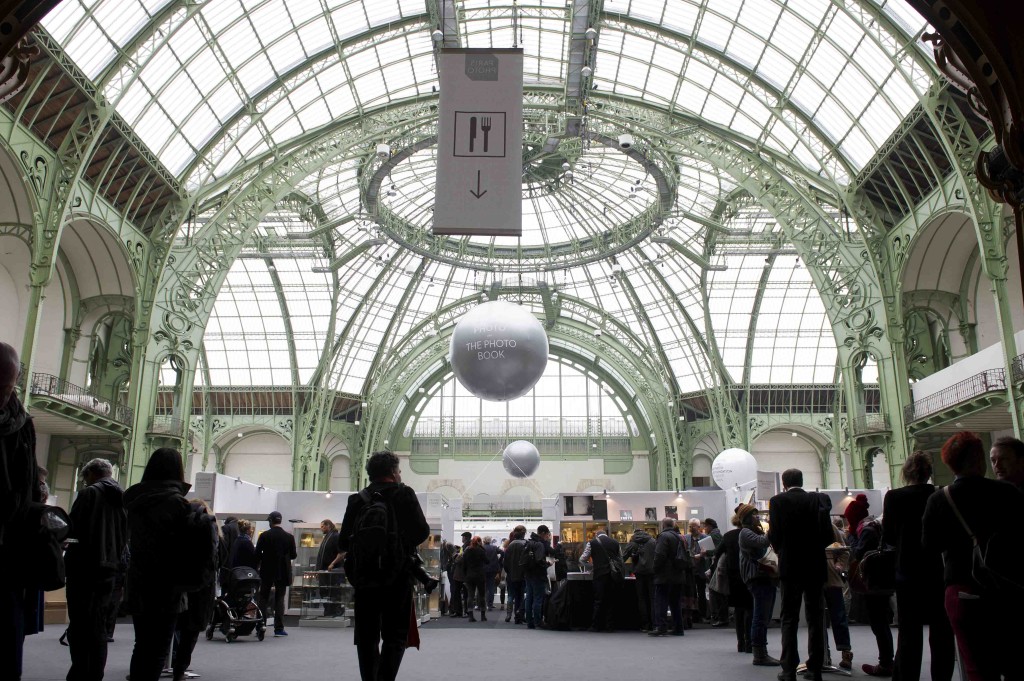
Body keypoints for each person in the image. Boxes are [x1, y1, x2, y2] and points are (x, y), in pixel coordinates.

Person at [922, 432, 1024, 681]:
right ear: (979, 459)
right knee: (1015, 661)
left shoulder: (939, 499)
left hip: (962, 589)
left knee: (977, 667)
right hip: (1007, 590)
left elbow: (930, 546)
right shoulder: (1008, 493)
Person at [339, 451, 429, 681]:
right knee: (395, 635)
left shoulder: (357, 499)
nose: (400, 474)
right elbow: (421, 531)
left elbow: (343, 541)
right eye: (398, 470)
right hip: (397, 576)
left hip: (364, 577)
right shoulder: (404, 494)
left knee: (366, 636)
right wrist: (400, 544)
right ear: (392, 472)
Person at [882, 452, 953, 681]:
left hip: (907, 569)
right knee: (941, 630)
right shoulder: (940, 494)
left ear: (906, 472)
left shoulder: (893, 497)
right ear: (928, 472)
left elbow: (890, 537)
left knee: (909, 631)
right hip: (937, 569)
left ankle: (907, 677)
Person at [123, 448, 192, 681]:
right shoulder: (178, 504)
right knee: (159, 649)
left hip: (139, 582)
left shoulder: (135, 502)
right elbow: (187, 550)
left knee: (141, 645)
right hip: (167, 586)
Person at [65, 457, 127, 681]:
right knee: (98, 625)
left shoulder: (88, 494)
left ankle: (80, 672)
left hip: (84, 567)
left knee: (80, 625)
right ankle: (94, 673)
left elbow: (73, 530)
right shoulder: (122, 496)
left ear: (90, 474)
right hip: (110, 568)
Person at [768, 468, 834, 681]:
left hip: (790, 566)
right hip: (815, 566)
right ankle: (815, 668)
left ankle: (789, 669)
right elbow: (827, 535)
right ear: (802, 481)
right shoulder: (817, 500)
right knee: (816, 616)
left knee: (789, 617)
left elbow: (774, 535)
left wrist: (782, 550)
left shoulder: (778, 501)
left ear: (784, 483)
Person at [0, 342, 41, 681]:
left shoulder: (22, 425)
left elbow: (27, 488)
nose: (3, 393)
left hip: (9, 551)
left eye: (8, 385)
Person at [171, 500, 218, 681]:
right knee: (190, 631)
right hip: (201, 586)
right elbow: (215, 558)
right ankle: (180, 668)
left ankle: (167, 663)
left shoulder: (179, 526)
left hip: (178, 583)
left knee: (172, 626)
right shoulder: (210, 527)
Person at [738, 504, 780, 666]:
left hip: (762, 577)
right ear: (747, 517)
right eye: (754, 515)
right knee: (760, 617)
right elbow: (763, 542)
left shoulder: (751, 531)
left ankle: (761, 652)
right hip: (757, 577)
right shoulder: (745, 532)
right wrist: (773, 526)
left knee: (764, 616)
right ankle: (760, 653)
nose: (757, 517)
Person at [852, 514, 893, 676]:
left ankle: (885, 663)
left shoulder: (867, 531)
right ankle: (888, 661)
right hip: (884, 581)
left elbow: (858, 553)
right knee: (882, 623)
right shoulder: (879, 528)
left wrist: (852, 540)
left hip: (873, 582)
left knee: (878, 624)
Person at [255, 511, 297, 637]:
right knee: (280, 599)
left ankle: (260, 625)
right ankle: (279, 628)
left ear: (270, 521)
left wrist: (265, 558)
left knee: (263, 597)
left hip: (267, 570)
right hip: (283, 571)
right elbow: (294, 555)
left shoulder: (265, 536)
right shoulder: (289, 537)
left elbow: (257, 554)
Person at [718, 509, 753, 653]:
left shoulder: (728, 536)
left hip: (734, 576)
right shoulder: (752, 535)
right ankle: (750, 642)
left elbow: (717, 553)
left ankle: (741, 642)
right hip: (749, 575)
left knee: (738, 610)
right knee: (751, 609)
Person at [578, 526, 623, 632]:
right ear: (606, 534)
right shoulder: (615, 543)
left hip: (599, 575)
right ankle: (610, 626)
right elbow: (621, 559)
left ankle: (596, 625)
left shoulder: (592, 543)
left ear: (596, 535)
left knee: (599, 600)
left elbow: (582, 559)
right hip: (613, 575)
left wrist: (591, 567)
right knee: (611, 600)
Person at [823, 515, 853, 671]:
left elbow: (844, 550)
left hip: (831, 578)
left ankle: (846, 652)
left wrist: (839, 566)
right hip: (813, 580)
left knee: (838, 616)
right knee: (817, 620)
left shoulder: (831, 528)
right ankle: (822, 654)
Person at [650, 517, 686, 637]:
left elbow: (660, 555)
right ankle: (678, 627)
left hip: (665, 575)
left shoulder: (663, 536)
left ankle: (661, 627)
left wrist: (654, 569)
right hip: (678, 574)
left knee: (660, 601)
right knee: (675, 602)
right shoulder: (679, 536)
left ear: (663, 525)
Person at [621, 527, 656, 632]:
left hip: (639, 573)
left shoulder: (633, 543)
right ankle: (655, 624)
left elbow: (623, 557)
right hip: (652, 572)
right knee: (653, 598)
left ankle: (645, 625)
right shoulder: (653, 541)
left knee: (642, 599)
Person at [523, 524, 553, 630]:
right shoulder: (539, 545)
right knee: (538, 599)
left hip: (528, 574)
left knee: (529, 598)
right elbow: (539, 560)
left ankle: (529, 622)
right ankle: (538, 621)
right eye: (547, 535)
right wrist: (548, 564)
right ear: (544, 533)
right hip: (538, 575)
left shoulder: (529, 542)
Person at [703, 517, 728, 626]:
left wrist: (706, 552)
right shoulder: (717, 534)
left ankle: (719, 616)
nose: (704, 529)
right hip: (718, 565)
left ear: (709, 526)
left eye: (705, 526)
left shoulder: (714, 535)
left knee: (716, 591)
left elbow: (717, 551)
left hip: (717, 566)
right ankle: (720, 616)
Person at [684, 518, 709, 624]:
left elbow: (711, 553)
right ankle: (692, 615)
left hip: (701, 570)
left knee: (702, 593)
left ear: (699, 527)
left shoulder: (706, 538)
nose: (691, 528)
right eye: (690, 526)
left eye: (693, 526)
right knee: (690, 594)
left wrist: (704, 555)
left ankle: (703, 615)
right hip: (689, 570)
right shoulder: (685, 538)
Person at [503, 525, 528, 623]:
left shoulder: (510, 545)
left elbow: (505, 563)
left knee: (511, 595)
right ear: (524, 533)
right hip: (523, 575)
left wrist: (509, 572)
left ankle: (509, 614)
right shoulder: (526, 544)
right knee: (521, 596)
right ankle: (519, 615)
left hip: (511, 575)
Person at [317, 519, 342, 617]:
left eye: (322, 526)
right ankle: (328, 611)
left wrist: (332, 563)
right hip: (324, 572)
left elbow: (342, 553)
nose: (321, 528)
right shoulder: (327, 537)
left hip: (332, 572)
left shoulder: (336, 536)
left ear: (328, 525)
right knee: (324, 591)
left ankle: (335, 611)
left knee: (333, 591)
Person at [461, 536, 486, 621]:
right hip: (480, 575)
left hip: (469, 576)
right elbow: (487, 561)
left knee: (470, 595)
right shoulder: (481, 551)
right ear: (479, 542)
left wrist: (465, 575)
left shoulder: (467, 551)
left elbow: (464, 565)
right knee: (481, 595)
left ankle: (470, 615)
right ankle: (483, 615)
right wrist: (482, 548)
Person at [482, 535, 500, 610]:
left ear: (484, 540)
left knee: (483, 587)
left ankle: (483, 604)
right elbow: (502, 553)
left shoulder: (482, 548)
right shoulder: (494, 548)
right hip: (493, 569)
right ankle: (490, 604)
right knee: (491, 587)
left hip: (483, 569)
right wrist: (498, 561)